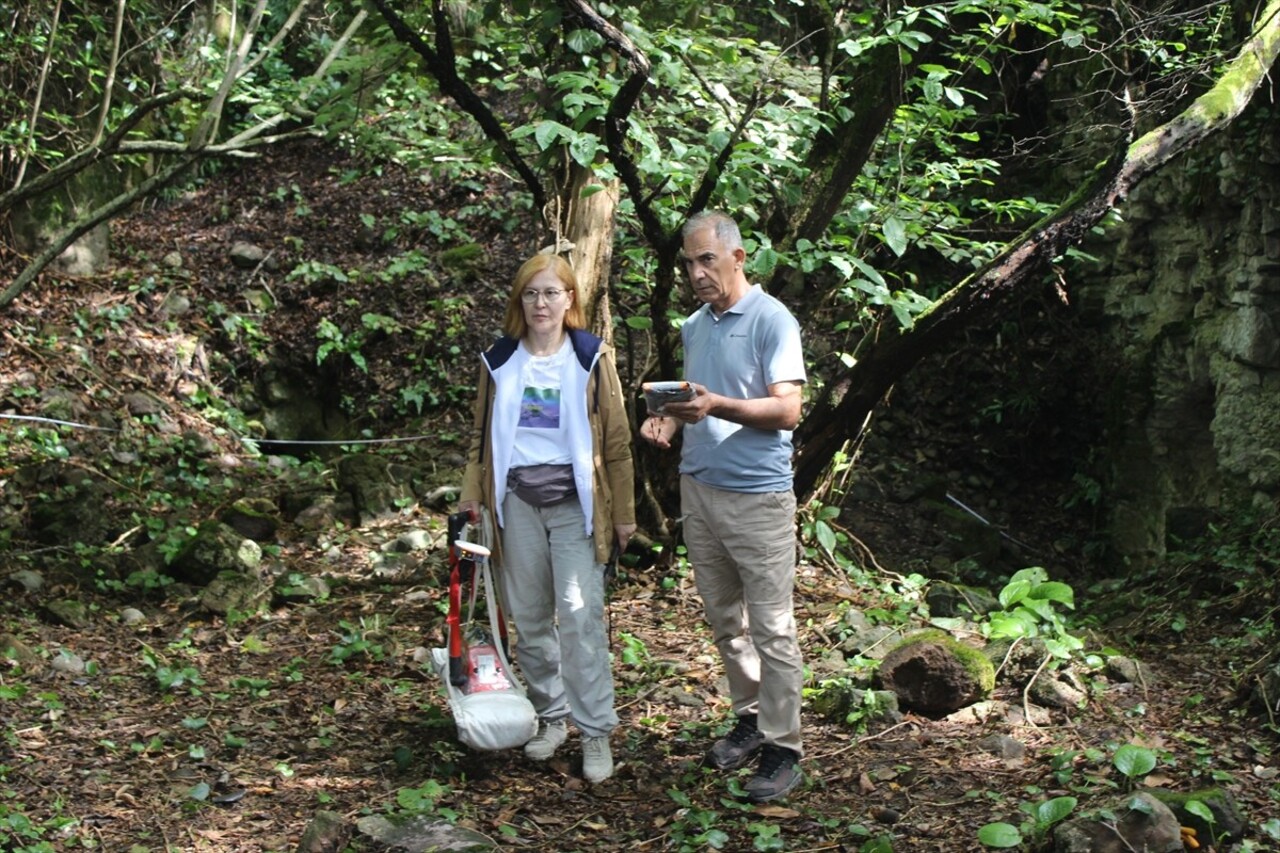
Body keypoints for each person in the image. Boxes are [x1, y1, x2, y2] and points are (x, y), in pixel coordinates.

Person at [639, 210, 806, 803]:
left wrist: (716, 406)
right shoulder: (694, 326)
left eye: (706, 259)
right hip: (699, 489)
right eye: (688, 262)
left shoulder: (771, 320)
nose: (695, 273)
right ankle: (751, 718)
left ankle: (784, 747)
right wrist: (667, 417)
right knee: (726, 623)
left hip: (757, 497)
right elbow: (695, 398)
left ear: (739, 257)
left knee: (772, 628)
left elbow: (787, 410)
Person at [459, 252, 636, 784]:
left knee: (580, 618)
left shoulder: (590, 358)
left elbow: (618, 444)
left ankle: (597, 731)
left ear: (570, 300)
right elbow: (478, 441)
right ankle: (553, 716)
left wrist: (623, 514)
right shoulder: (500, 361)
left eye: (552, 293)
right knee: (530, 619)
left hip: (576, 507)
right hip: (516, 504)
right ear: (521, 301)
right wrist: (471, 500)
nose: (542, 303)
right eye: (532, 293)